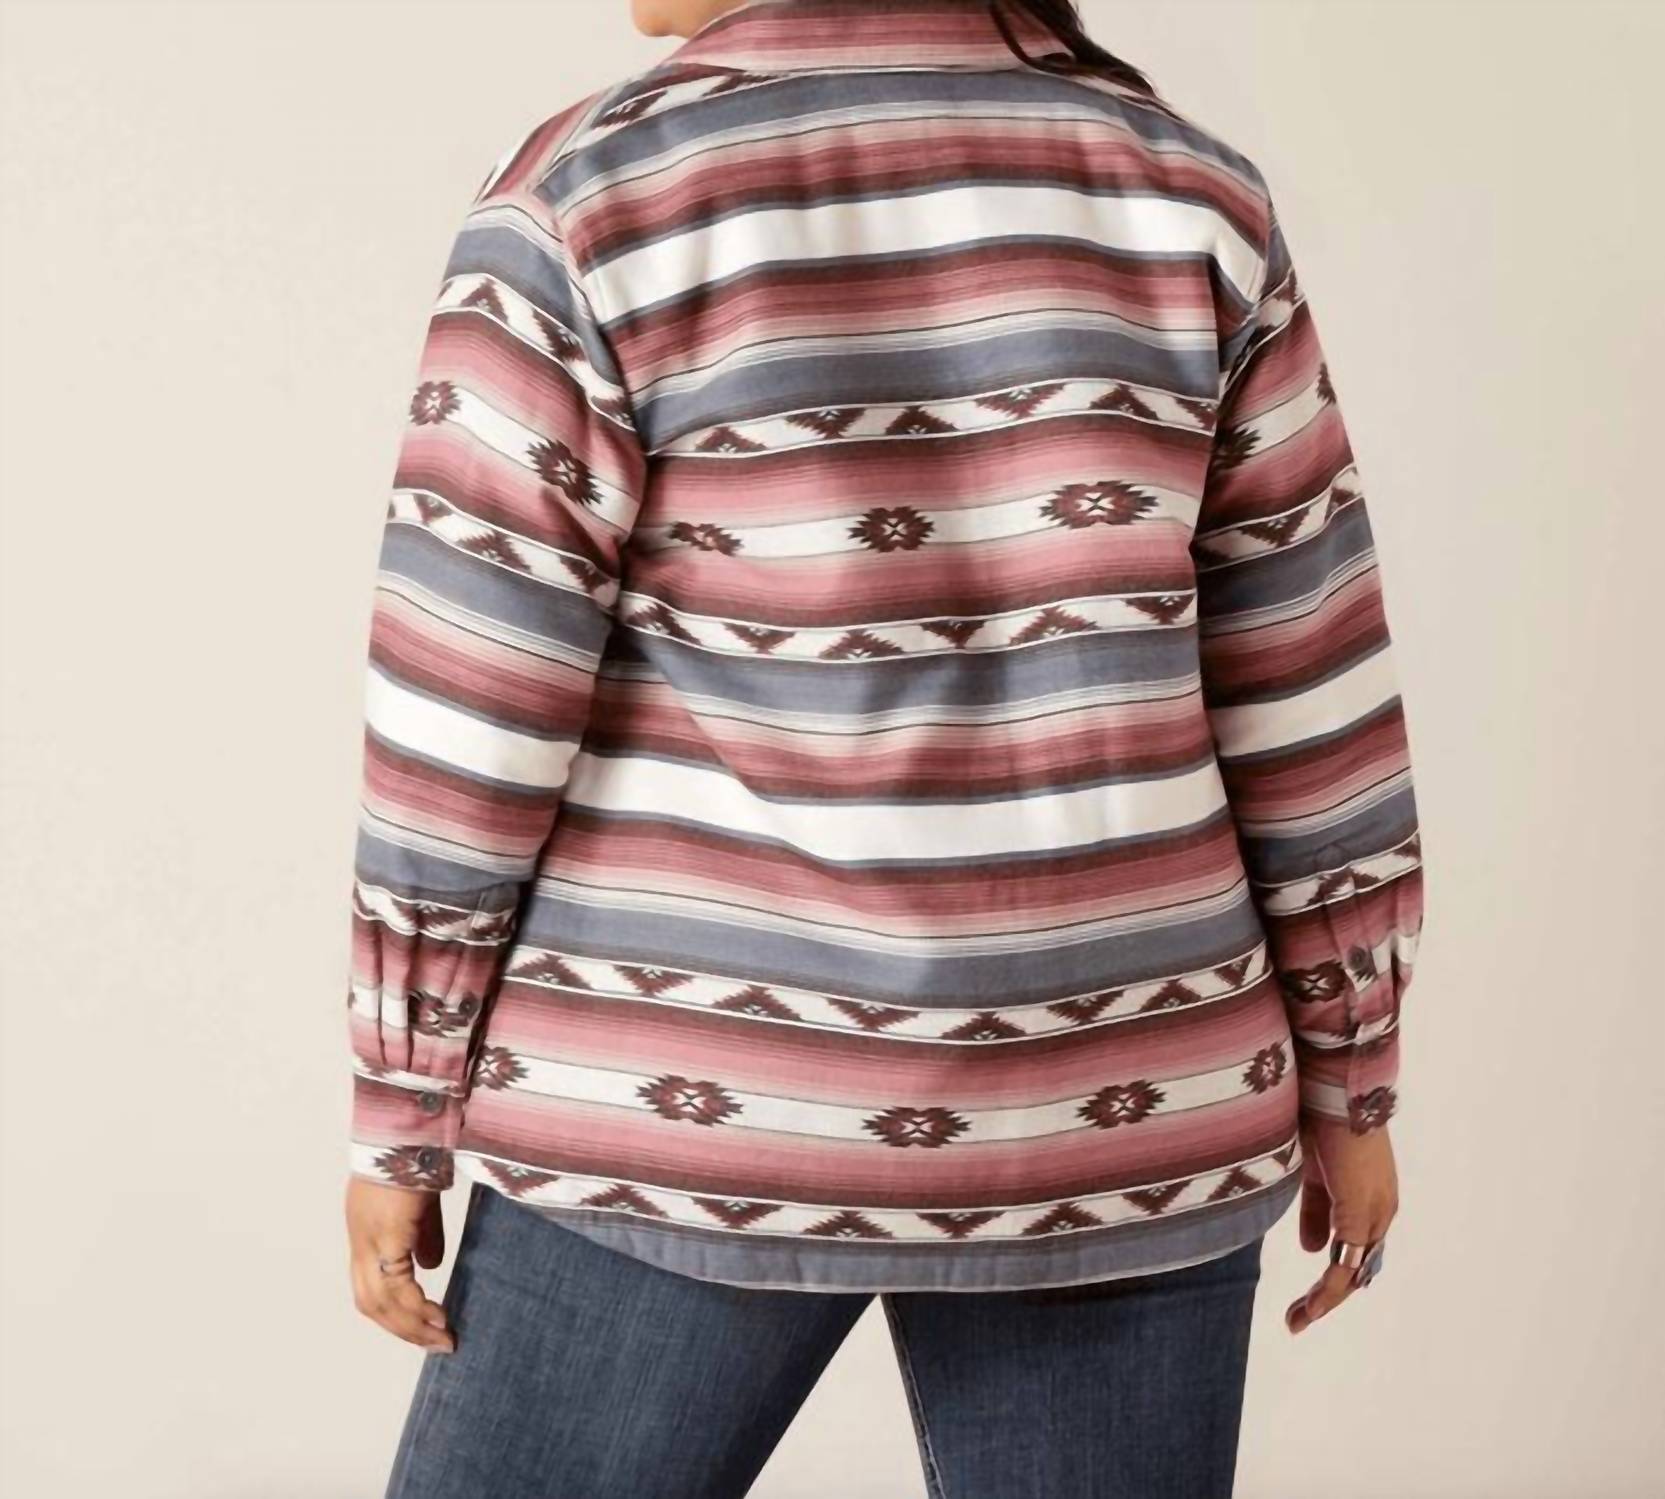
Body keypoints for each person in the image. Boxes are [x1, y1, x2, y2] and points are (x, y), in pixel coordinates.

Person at [342, 1, 1424, 1493]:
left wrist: (400, 1105)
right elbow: (1307, 685)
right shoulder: (1187, 191)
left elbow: (468, 710)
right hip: (1122, 1105)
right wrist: (1351, 1072)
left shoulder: (593, 196)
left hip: (692, 1115)